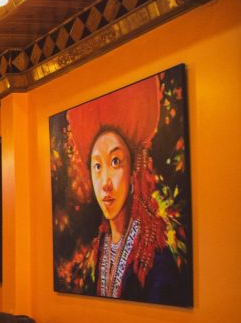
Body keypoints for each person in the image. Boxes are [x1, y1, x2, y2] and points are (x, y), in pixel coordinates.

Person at [66, 75, 187, 304]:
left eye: (115, 162)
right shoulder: (100, 246)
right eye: (97, 166)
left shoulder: (155, 256)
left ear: (133, 170)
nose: (105, 182)